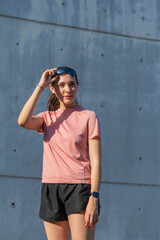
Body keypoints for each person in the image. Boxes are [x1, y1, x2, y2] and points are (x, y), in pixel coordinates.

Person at [18, 66, 102, 240]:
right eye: (62, 85)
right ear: (53, 88)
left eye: (72, 84)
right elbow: (23, 121)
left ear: (77, 85)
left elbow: (96, 160)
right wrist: (41, 85)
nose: (67, 90)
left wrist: (94, 196)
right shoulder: (47, 118)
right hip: (51, 189)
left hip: (80, 189)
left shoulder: (88, 116)